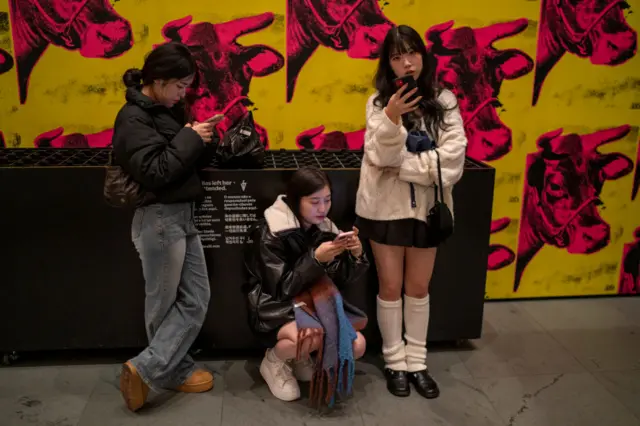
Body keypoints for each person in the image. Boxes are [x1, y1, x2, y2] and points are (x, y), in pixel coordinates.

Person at [355, 25, 468, 399]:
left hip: (429, 210)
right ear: (387, 63)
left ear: (424, 56)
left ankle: (417, 361)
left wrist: (405, 168)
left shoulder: (445, 100)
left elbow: (452, 161)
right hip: (385, 209)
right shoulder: (377, 104)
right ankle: (394, 361)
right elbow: (378, 156)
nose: (406, 62)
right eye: (397, 55)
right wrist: (391, 118)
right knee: (389, 286)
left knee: (418, 287)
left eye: (412, 53)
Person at [111, 41, 225, 412]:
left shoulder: (163, 110)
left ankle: (151, 367)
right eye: (178, 86)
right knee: (163, 302)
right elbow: (156, 171)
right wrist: (190, 136)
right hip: (158, 216)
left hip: (180, 214)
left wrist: (202, 137)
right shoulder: (133, 117)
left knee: (196, 298)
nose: (182, 94)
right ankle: (158, 370)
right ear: (158, 82)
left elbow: (178, 160)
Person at [243, 167, 369, 405]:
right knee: (309, 337)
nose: (323, 209)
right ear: (296, 200)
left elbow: (340, 279)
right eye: (314, 202)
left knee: (358, 345)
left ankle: (299, 359)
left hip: (314, 304)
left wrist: (356, 255)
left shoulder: (325, 229)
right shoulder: (270, 231)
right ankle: (274, 362)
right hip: (274, 306)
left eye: (327, 200)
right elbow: (279, 289)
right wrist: (315, 260)